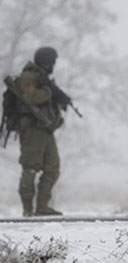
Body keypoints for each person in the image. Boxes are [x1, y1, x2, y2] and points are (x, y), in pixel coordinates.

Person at [15, 47, 64, 217]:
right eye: (52, 62)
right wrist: (50, 92)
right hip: (32, 129)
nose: (53, 65)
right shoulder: (29, 76)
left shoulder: (43, 78)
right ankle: (28, 209)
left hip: (45, 129)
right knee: (31, 167)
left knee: (53, 167)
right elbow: (29, 97)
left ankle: (42, 206)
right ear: (46, 61)